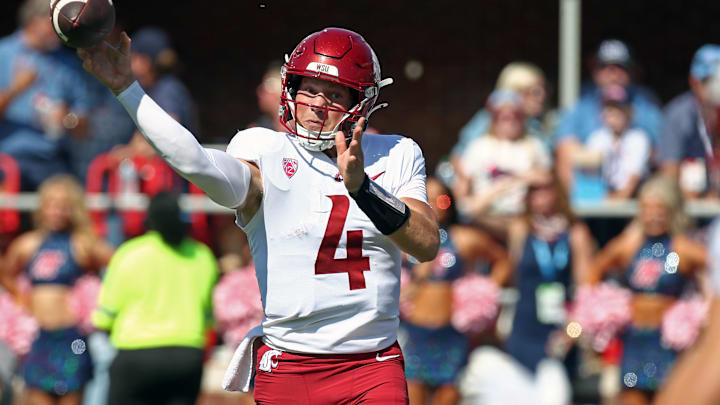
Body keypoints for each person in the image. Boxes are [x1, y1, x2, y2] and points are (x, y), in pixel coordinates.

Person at [78, 26, 439, 404]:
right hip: (290, 365)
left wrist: (362, 188)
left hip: (372, 363)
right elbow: (195, 162)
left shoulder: (395, 153)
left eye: (334, 95)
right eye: (309, 89)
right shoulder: (263, 149)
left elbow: (427, 243)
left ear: (361, 103)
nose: (317, 104)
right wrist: (127, 90)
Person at [458, 170, 594, 405]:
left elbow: (587, 289)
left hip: (559, 329)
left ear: (558, 192)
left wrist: (573, 330)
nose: (540, 196)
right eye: (534, 190)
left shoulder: (574, 232)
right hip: (524, 326)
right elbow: (472, 210)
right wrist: (518, 181)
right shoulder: (521, 228)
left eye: (546, 189)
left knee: (555, 394)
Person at [584, 175, 707, 405]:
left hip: (669, 344)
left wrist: (702, 307)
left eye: (659, 209)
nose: (653, 216)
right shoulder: (629, 244)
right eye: (647, 209)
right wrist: (600, 308)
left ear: (671, 210)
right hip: (635, 342)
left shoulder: (681, 247)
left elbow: (712, 267)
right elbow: (596, 267)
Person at [91, 192, 218, 405]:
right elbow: (208, 318)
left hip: (135, 355)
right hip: (187, 355)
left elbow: (105, 315)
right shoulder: (202, 255)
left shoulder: (129, 253)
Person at [0, 175, 114, 405]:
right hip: (39, 339)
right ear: (42, 207)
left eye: (63, 206)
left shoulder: (83, 244)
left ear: (74, 210)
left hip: (74, 339)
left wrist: (97, 298)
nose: (56, 211)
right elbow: (7, 274)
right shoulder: (27, 244)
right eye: (51, 204)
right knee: (35, 397)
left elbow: (118, 263)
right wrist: (22, 300)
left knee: (72, 397)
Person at [401, 177, 511, 405]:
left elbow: (502, 259)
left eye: (441, 200)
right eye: (426, 199)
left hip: (451, 335)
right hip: (415, 334)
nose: (433, 206)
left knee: (449, 398)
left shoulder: (463, 239)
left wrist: (484, 293)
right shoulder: (403, 238)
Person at [0, 0, 92, 190]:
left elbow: (85, 127)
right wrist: (16, 89)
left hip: (53, 160)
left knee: (68, 201)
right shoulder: (4, 53)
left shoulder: (68, 64)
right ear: (34, 21)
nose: (62, 30)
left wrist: (68, 119)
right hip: (7, 158)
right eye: (55, 24)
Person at [554, 39, 661, 190]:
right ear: (595, 71)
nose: (613, 73)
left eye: (620, 67)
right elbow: (565, 151)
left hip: (637, 194)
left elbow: (660, 153)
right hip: (591, 193)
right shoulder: (582, 104)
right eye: (605, 67)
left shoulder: (645, 102)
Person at [454, 89, 552, 238]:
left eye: (516, 116)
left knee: (520, 227)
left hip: (524, 217)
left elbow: (547, 179)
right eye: (503, 116)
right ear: (493, 118)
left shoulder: (534, 146)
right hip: (486, 216)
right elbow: (463, 194)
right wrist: (512, 182)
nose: (510, 120)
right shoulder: (478, 147)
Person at [451, 61, 554, 158]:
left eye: (543, 89)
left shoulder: (541, 125)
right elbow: (459, 157)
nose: (542, 96)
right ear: (513, 92)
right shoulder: (489, 119)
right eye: (534, 92)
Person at [658, 44, 720, 199]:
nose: (715, 87)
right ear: (693, 81)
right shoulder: (676, 115)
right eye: (708, 80)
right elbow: (668, 176)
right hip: (688, 209)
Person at [572, 84, 652, 201]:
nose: (614, 115)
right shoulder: (596, 137)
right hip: (603, 198)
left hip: (632, 199)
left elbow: (634, 178)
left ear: (629, 112)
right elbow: (590, 176)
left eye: (619, 109)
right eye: (609, 109)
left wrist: (619, 198)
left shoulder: (639, 138)